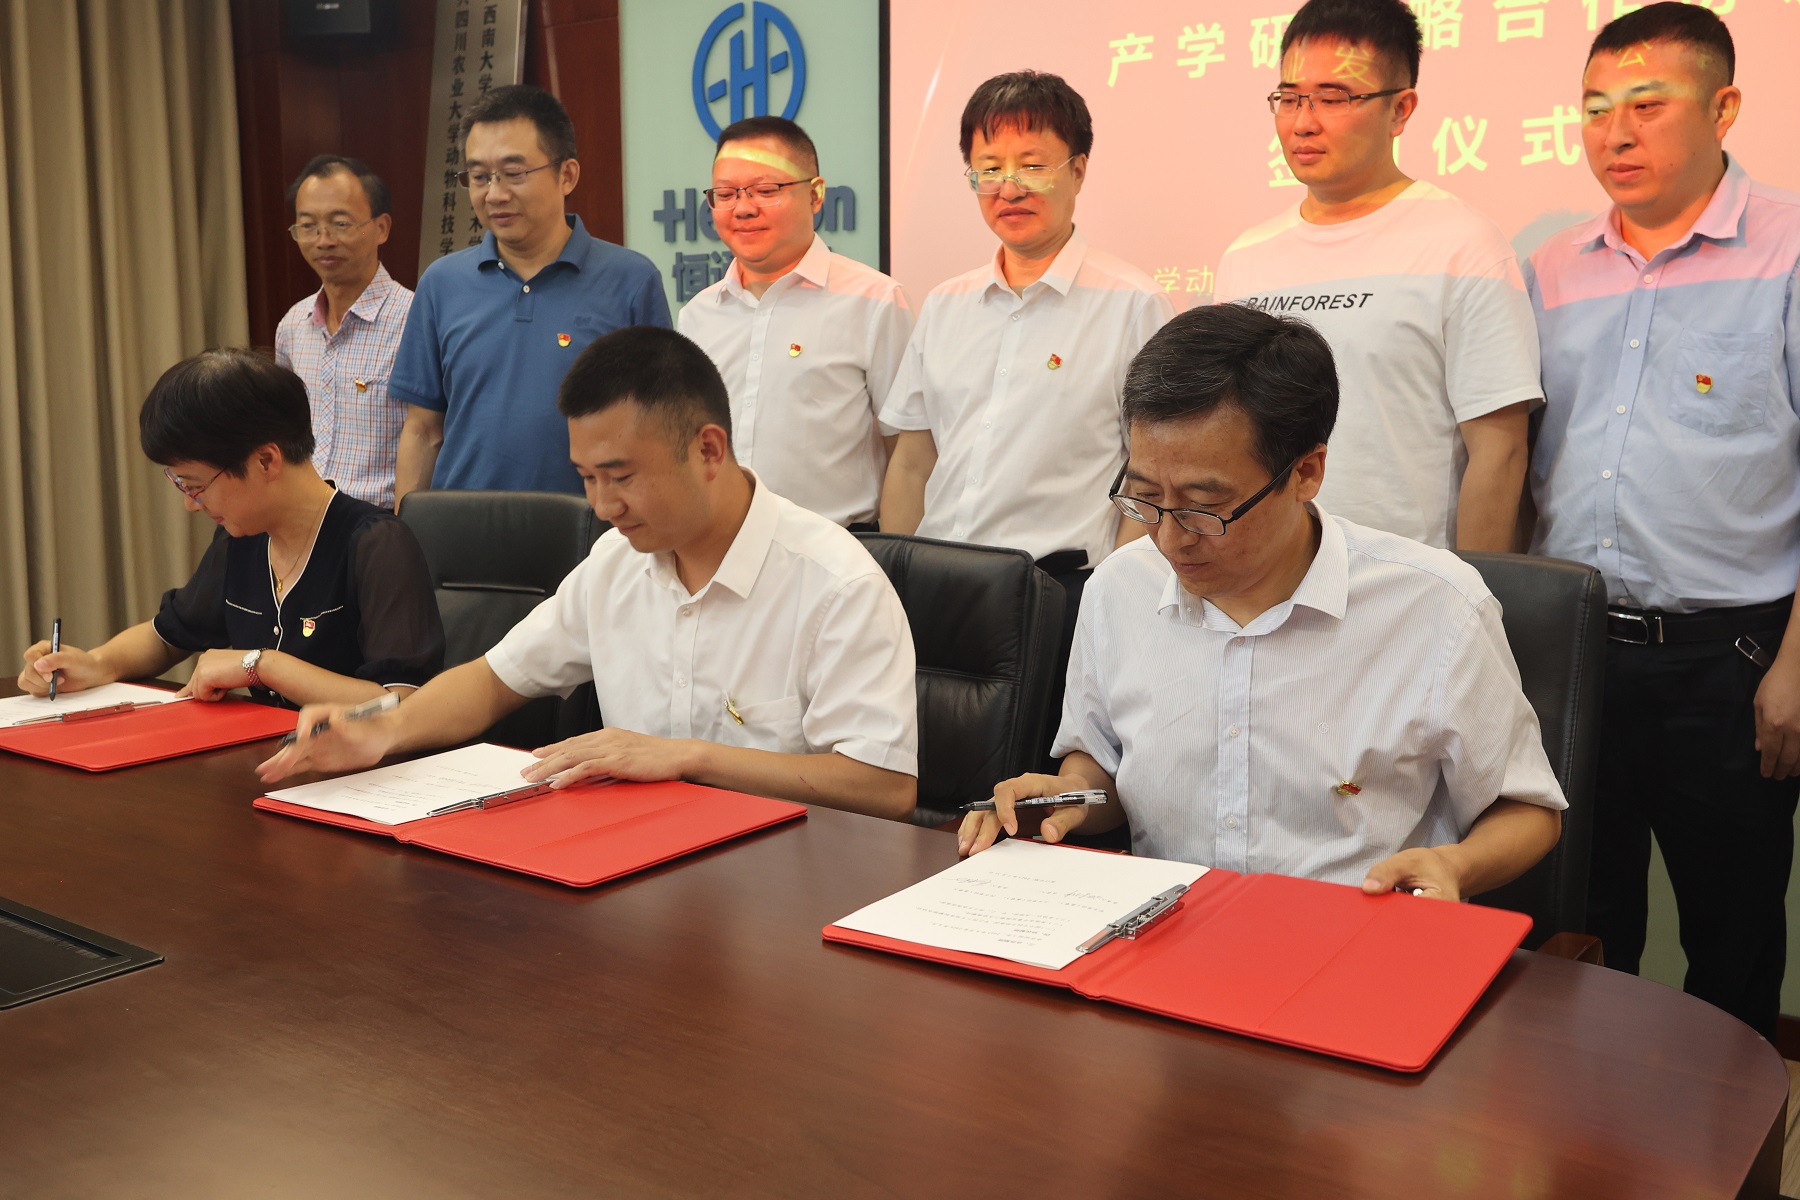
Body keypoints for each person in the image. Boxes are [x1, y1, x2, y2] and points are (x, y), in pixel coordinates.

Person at [958, 305, 1565, 905]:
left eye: (1204, 506)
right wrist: (1067, 797)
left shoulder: (1435, 605)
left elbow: (1527, 808)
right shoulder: (1120, 587)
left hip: (1351, 936)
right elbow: (1103, 766)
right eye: (1145, 497)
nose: (1169, 537)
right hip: (1165, 931)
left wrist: (1455, 865)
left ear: (1306, 472)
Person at [258, 327, 919, 821]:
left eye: (621, 477)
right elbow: (491, 681)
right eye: (587, 478)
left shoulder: (836, 585)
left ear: (708, 450)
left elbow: (885, 787)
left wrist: (687, 756)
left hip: (780, 887)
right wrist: (382, 730)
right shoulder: (615, 563)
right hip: (638, 868)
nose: (602, 507)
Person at [1525, 3, 1800, 1040]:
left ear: (1724, 108)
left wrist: (1797, 663)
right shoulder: (1552, 266)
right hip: (1578, 654)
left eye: (1647, 105)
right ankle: (1590, 1127)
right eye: (1595, 109)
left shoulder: (1788, 247)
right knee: (1582, 923)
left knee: (1733, 931)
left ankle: (1735, 1131)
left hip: (1729, 661)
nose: (1615, 133)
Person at [879, 70, 1173, 740]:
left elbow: (1151, 475)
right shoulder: (946, 303)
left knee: (1035, 777)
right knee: (929, 768)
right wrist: (900, 575)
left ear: (1079, 170)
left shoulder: (1133, 304)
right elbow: (913, 460)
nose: (1008, 187)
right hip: (941, 586)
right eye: (989, 168)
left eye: (1033, 165)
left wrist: (1114, 595)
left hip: (1056, 595)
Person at [1213, 0, 1538, 552]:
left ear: (1400, 109)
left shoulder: (1463, 244)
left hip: (1408, 581)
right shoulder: (1245, 257)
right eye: (1289, 98)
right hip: (1264, 577)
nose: (1303, 121)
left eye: (1333, 97)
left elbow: (1499, 452)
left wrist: (1473, 589)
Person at [17, 350, 444, 708]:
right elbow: (167, 636)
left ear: (265, 461)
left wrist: (261, 664)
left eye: (196, 486)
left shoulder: (377, 543)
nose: (190, 504)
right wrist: (94, 664)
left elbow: (401, 702)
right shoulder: (242, 538)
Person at [391, 85, 670, 502]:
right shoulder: (441, 283)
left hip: (591, 527)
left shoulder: (631, 281)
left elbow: (657, 426)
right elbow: (423, 429)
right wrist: (408, 530)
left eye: (514, 173)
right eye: (479, 177)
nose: (494, 194)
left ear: (567, 175)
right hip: (459, 529)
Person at [678, 116, 913, 528]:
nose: (744, 208)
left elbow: (907, 454)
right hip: (720, 544)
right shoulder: (698, 314)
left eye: (766, 190)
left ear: (816, 195)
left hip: (840, 549)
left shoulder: (874, 301)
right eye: (726, 194)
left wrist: (895, 555)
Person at [274, 155, 413, 510]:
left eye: (340, 223)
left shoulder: (415, 320)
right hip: (303, 521)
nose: (324, 240)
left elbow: (432, 437)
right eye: (308, 226)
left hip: (380, 523)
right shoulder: (293, 325)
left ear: (381, 228)